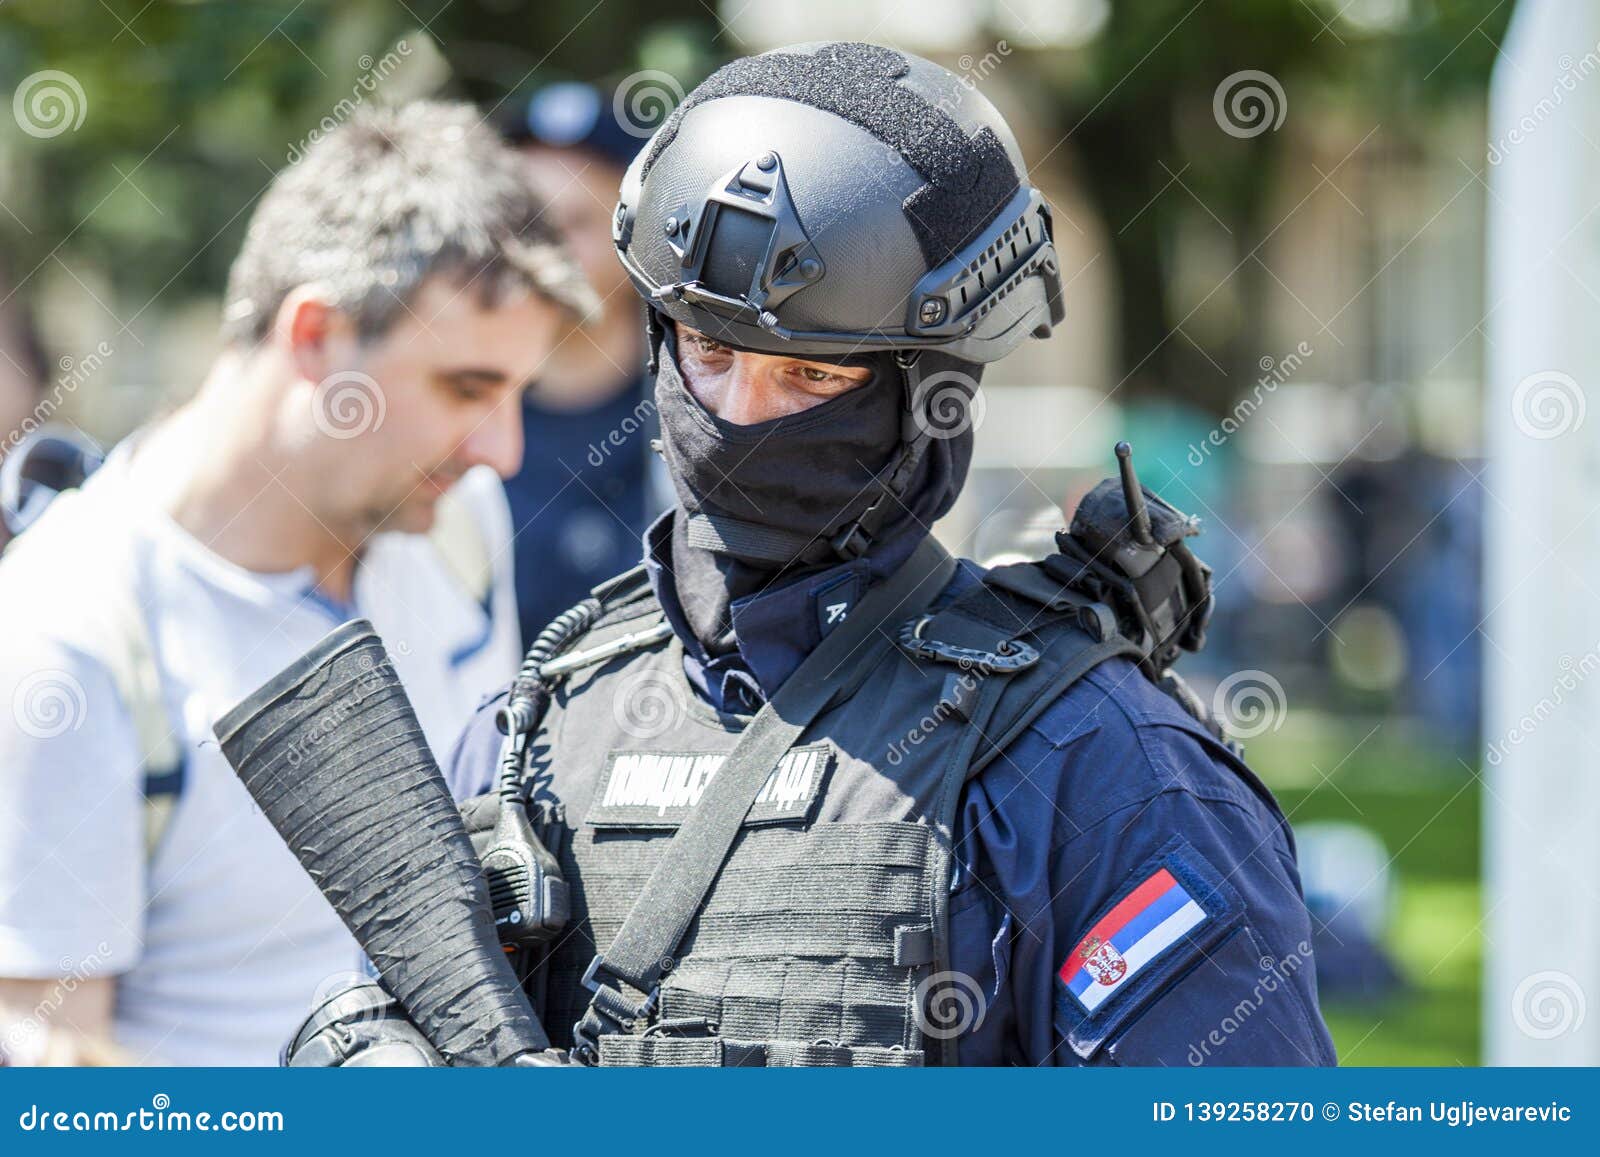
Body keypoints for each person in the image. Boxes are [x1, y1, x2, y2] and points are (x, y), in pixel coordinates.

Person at [322, 43, 1337, 1067]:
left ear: (937, 389)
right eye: (710, 351)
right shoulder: (537, 721)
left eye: (811, 373)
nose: (738, 415)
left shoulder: (1104, 772)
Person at [0, 101, 593, 1066]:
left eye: (520, 393)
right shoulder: (65, 630)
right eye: (468, 387)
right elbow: (52, 1073)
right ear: (315, 334)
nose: (502, 449)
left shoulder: (455, 526)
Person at [495, 81, 666, 648]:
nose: (542, 252)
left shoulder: (698, 402)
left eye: (575, 224)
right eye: (522, 222)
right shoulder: (450, 416)